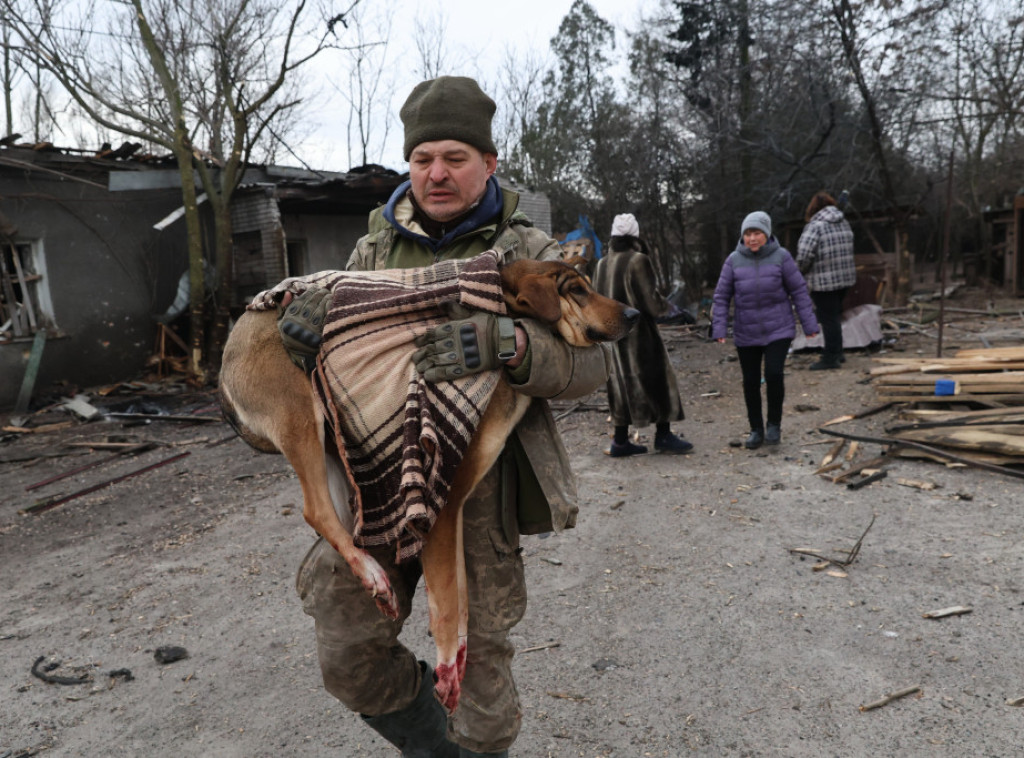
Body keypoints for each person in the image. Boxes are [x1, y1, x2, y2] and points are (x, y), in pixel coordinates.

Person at [285, 76, 611, 758]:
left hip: (478, 493)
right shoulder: (372, 252)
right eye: (423, 157)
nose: (436, 173)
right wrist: (305, 341)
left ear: (489, 163)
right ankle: (436, 747)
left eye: (455, 157)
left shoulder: (530, 249)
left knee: (482, 678)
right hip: (377, 481)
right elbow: (333, 366)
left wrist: (514, 346)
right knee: (347, 653)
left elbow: (591, 366)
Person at [711, 211, 819, 449]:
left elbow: (799, 291)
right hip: (746, 331)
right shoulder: (733, 260)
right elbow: (721, 297)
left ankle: (773, 425)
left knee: (773, 374)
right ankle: (756, 429)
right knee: (750, 381)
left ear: (767, 234)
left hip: (778, 329)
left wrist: (809, 324)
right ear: (743, 236)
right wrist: (719, 327)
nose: (752, 238)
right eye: (748, 233)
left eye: (757, 233)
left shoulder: (782, 257)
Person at [592, 213, 692, 457]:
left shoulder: (601, 264)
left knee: (619, 385)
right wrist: (678, 312)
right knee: (656, 378)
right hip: (639, 335)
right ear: (634, 236)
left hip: (611, 337)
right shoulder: (638, 260)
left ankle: (620, 441)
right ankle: (664, 435)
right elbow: (652, 302)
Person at [795, 191, 856, 370]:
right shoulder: (844, 222)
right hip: (845, 279)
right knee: (835, 316)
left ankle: (830, 358)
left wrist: (799, 271)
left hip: (824, 282)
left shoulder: (815, 226)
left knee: (828, 319)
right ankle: (838, 352)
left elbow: (804, 255)